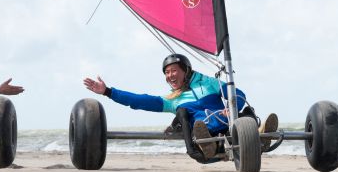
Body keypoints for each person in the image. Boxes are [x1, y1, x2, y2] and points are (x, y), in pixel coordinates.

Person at [84, 53, 277, 162]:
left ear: (185, 71)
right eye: (166, 73)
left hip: (229, 125)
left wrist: (233, 107)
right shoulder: (172, 99)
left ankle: (260, 137)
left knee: (246, 114)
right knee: (183, 112)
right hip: (204, 134)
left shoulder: (208, 83)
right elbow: (139, 100)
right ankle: (207, 144)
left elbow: (238, 94)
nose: (169, 76)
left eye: (173, 71)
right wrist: (108, 91)